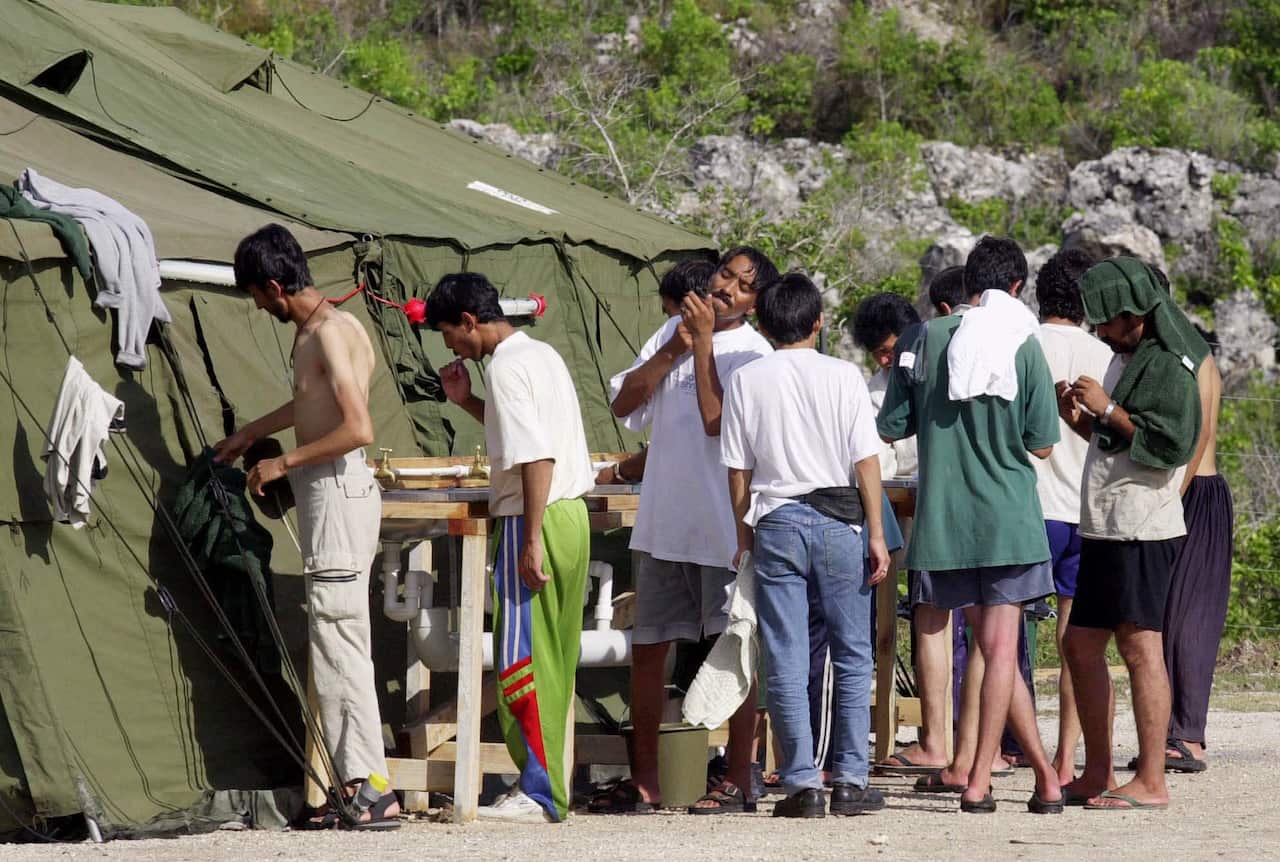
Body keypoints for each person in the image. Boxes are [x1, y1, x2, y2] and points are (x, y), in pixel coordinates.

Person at [214, 224, 399, 830]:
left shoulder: (326, 334)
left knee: (340, 641)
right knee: (334, 640)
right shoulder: (332, 328)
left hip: (338, 494)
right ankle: (356, 781)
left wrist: (282, 461)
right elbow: (312, 402)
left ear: (273, 285)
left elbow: (357, 427)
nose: (260, 307)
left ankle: (371, 786)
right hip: (334, 495)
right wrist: (249, 433)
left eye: (258, 297)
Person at [879, 235, 1064, 814]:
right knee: (1000, 650)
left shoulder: (923, 340)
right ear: (1015, 289)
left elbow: (892, 427)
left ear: (965, 288)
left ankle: (1010, 775)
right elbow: (1042, 445)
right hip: (1009, 519)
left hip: (943, 521)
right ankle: (1002, 775)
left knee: (978, 644)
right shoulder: (1025, 346)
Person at [591, 247, 777, 815]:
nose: (727, 288)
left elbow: (718, 422)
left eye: (743, 286)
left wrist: (699, 347)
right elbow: (623, 402)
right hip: (665, 522)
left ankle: (740, 776)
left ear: (755, 303)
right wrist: (676, 343)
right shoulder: (670, 330)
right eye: (726, 274)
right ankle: (645, 780)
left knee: (735, 648)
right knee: (648, 650)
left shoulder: (754, 353)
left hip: (725, 527)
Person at [425, 272, 596, 823]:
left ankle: (540, 791)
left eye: (451, 334)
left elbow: (535, 457)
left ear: (470, 322)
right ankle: (547, 785)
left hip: (536, 516)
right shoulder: (540, 353)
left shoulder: (504, 367)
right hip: (572, 516)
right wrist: (467, 401)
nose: (451, 345)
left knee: (521, 658)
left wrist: (528, 539)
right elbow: (526, 436)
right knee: (557, 656)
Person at [721, 272, 889, 818]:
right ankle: (850, 778)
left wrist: (743, 535)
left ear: (765, 326)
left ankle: (801, 784)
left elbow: (738, 470)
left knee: (786, 655)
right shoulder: (844, 375)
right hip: (841, 520)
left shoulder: (748, 379)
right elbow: (866, 461)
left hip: (776, 520)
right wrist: (878, 535)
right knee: (852, 651)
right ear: (818, 322)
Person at [1060, 257, 1207, 810]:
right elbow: (1117, 437)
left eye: (1104, 320)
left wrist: (1109, 407)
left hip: (1142, 526)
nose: (1098, 331)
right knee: (1080, 641)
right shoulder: (1131, 355)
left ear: (1133, 313)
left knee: (1141, 646)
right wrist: (1080, 416)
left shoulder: (1169, 364)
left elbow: (1171, 444)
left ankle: (1151, 779)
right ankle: (1097, 769)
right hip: (1106, 523)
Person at [1031, 248, 1114, 786]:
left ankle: (1001, 749)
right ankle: (1065, 759)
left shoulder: (1024, 345)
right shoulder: (1105, 354)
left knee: (1004, 635)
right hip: (1084, 508)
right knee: (1075, 645)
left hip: (1029, 507)